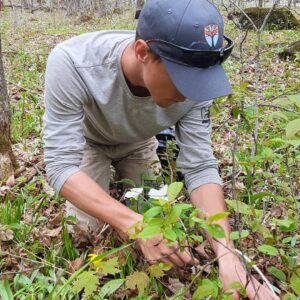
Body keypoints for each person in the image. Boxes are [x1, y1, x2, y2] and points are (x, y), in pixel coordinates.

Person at [43, 0, 278, 298]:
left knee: (153, 217)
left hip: (139, 141)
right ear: (142, 52)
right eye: (183, 80)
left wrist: (226, 253)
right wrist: (133, 225)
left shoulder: (197, 82)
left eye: (199, 81)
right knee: (86, 232)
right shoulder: (73, 62)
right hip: (88, 143)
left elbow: (200, 165)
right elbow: (61, 166)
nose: (190, 93)